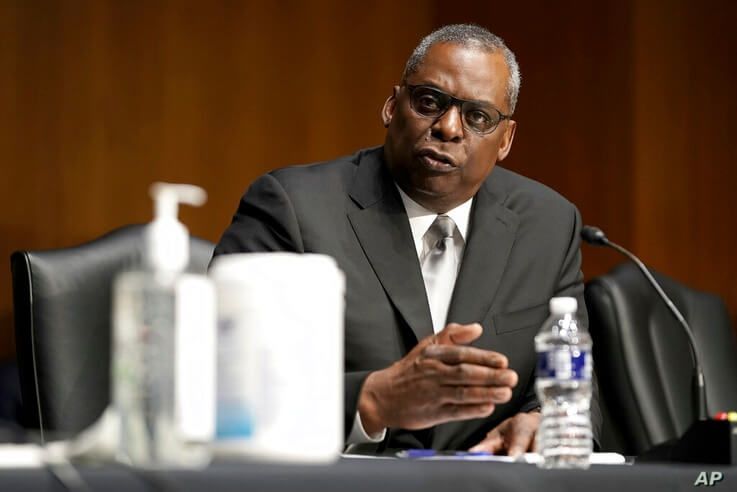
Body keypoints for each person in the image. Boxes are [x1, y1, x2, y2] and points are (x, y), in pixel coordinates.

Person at [212, 24, 601, 454]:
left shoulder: (548, 224)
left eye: (477, 117)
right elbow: (219, 381)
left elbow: (572, 384)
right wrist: (372, 402)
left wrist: (544, 422)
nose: (449, 128)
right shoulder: (293, 208)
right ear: (391, 106)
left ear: (506, 139)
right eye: (429, 102)